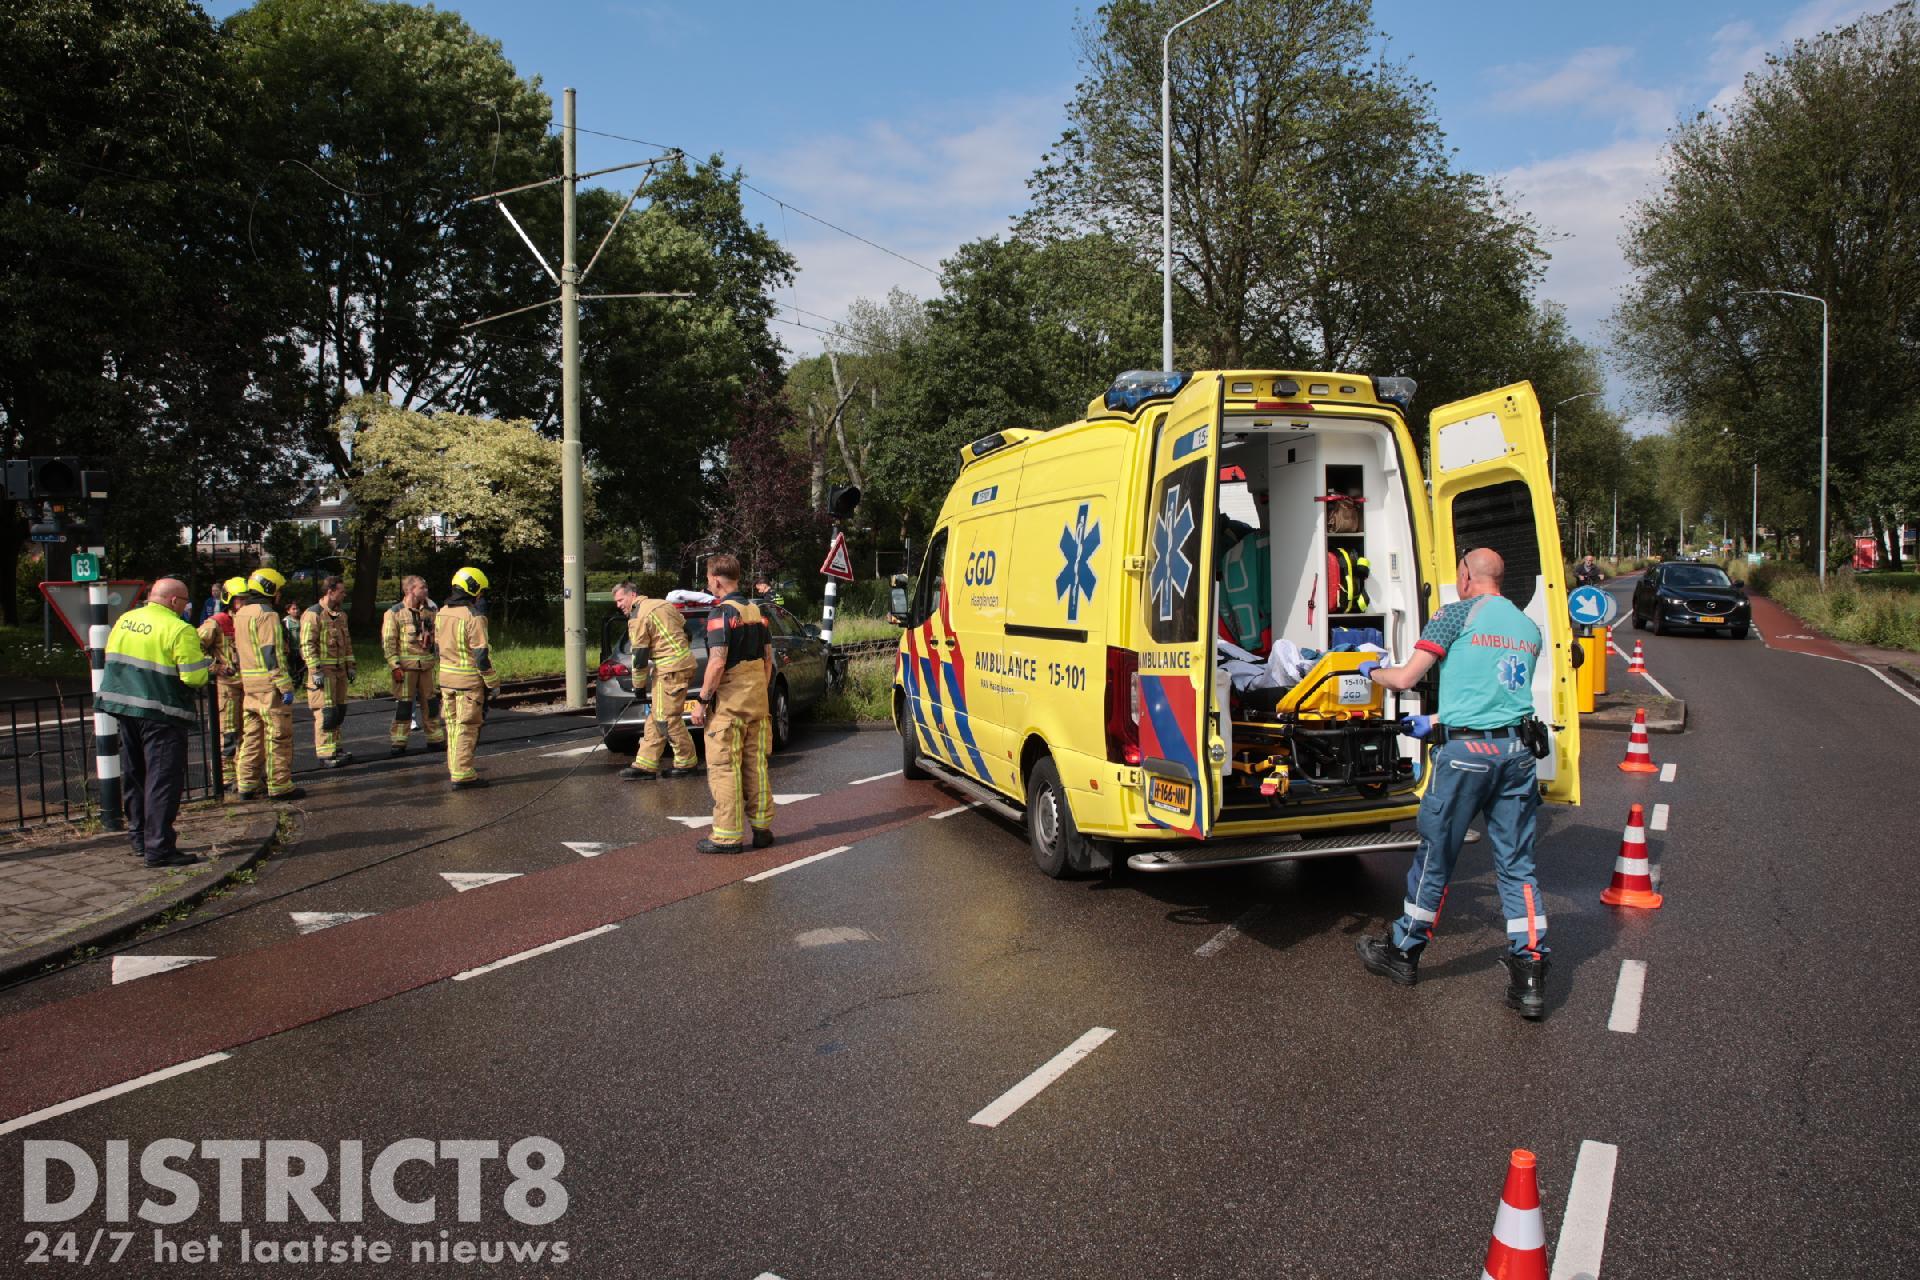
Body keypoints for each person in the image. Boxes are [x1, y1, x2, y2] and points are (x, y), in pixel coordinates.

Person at [1353, 547, 1551, 1019]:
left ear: (1466, 574)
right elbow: (1492, 695)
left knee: (1437, 857)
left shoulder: (1454, 615)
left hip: (1465, 759)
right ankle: (1530, 973)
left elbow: (1403, 679)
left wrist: (1369, 669)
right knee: (1517, 865)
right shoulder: (1528, 627)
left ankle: (1404, 952)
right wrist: (1439, 722)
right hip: (1517, 754)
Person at [97, 577, 211, 867]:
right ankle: (159, 848)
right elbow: (194, 677)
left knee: (135, 775)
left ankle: (138, 839)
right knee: (162, 780)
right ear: (174, 601)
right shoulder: (179, 629)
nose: (187, 607)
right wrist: (209, 666)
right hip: (161, 712)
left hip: (125, 707)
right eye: (185, 601)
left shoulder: (125, 620)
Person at [688, 553, 773, 854]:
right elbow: (768, 660)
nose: (708, 585)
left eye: (709, 581)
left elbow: (717, 663)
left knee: (724, 767)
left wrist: (701, 701)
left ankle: (726, 836)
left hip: (729, 707)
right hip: (757, 704)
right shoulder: (756, 611)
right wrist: (759, 691)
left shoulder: (721, 614)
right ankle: (762, 829)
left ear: (715, 580)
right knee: (756, 766)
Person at [613, 580, 699, 781]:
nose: (618, 605)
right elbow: (687, 632)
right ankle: (645, 764)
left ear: (632, 594)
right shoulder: (663, 605)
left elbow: (640, 656)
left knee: (666, 719)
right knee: (656, 717)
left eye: (620, 599)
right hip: (677, 666)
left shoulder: (638, 617)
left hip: (669, 670)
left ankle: (687, 762)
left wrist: (638, 687)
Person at [233, 568, 304, 801]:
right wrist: (285, 686)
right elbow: (270, 652)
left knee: (252, 737)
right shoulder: (268, 615)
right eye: (279, 590)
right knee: (279, 737)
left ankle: (246, 783)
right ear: (270, 588)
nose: (280, 595)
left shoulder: (241, 613)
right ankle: (280, 785)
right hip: (269, 687)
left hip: (249, 686)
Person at [435, 565, 501, 789]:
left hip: (445, 680)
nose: (481, 596)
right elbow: (481, 656)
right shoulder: (474, 617)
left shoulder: (442, 612)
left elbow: (437, 648)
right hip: (468, 682)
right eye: (480, 591)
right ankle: (463, 774)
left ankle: (456, 769)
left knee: (452, 727)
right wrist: (493, 683)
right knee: (467, 727)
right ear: (473, 589)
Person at [195, 576, 248, 790]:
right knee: (227, 734)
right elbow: (193, 649)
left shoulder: (250, 621)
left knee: (249, 734)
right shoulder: (216, 623)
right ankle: (225, 779)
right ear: (230, 600)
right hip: (225, 688)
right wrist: (214, 667)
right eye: (240, 599)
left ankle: (245, 775)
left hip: (249, 686)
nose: (245, 603)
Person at [382, 574, 443, 756]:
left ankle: (435, 739)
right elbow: (389, 642)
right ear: (409, 590)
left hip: (426, 668)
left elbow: (437, 637)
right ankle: (398, 742)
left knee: (431, 704)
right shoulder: (394, 613)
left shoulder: (430, 612)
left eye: (426, 587)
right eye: (421, 588)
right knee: (404, 706)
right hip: (406, 669)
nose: (426, 591)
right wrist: (395, 666)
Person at [300, 575, 356, 768]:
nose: (344, 594)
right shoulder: (313, 614)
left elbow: (347, 643)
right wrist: (315, 670)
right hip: (323, 673)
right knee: (326, 713)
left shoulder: (341, 615)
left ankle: (336, 747)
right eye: (341, 591)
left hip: (339, 672)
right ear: (330, 592)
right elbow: (307, 645)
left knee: (339, 711)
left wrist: (351, 666)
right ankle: (325, 753)